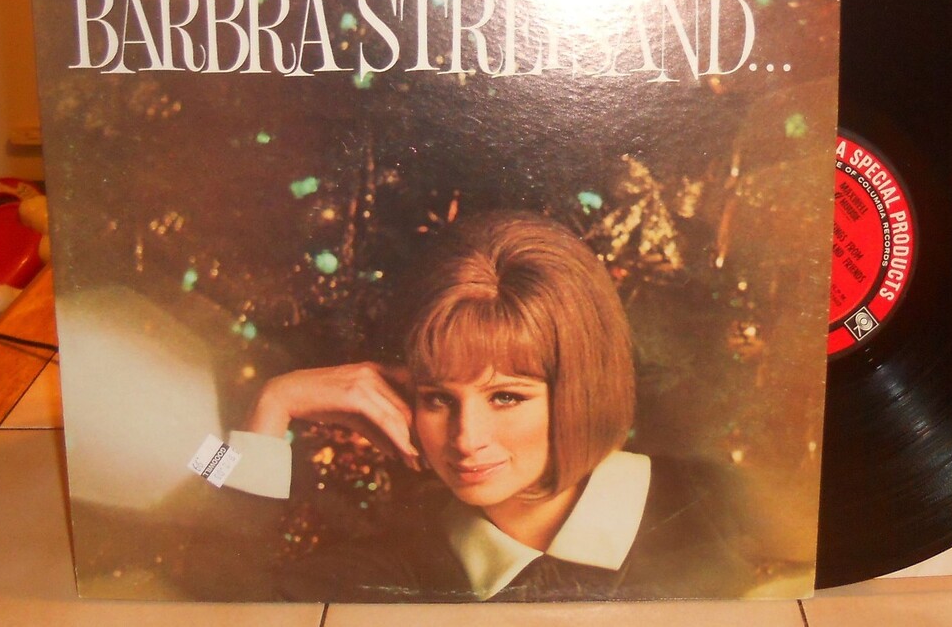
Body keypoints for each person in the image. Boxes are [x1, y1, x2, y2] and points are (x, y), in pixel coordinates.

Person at [223, 211, 769, 602]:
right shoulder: (394, 564)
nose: (466, 438)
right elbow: (201, 574)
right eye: (439, 399)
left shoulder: (717, 503)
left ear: (581, 388)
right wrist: (272, 404)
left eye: (506, 396)